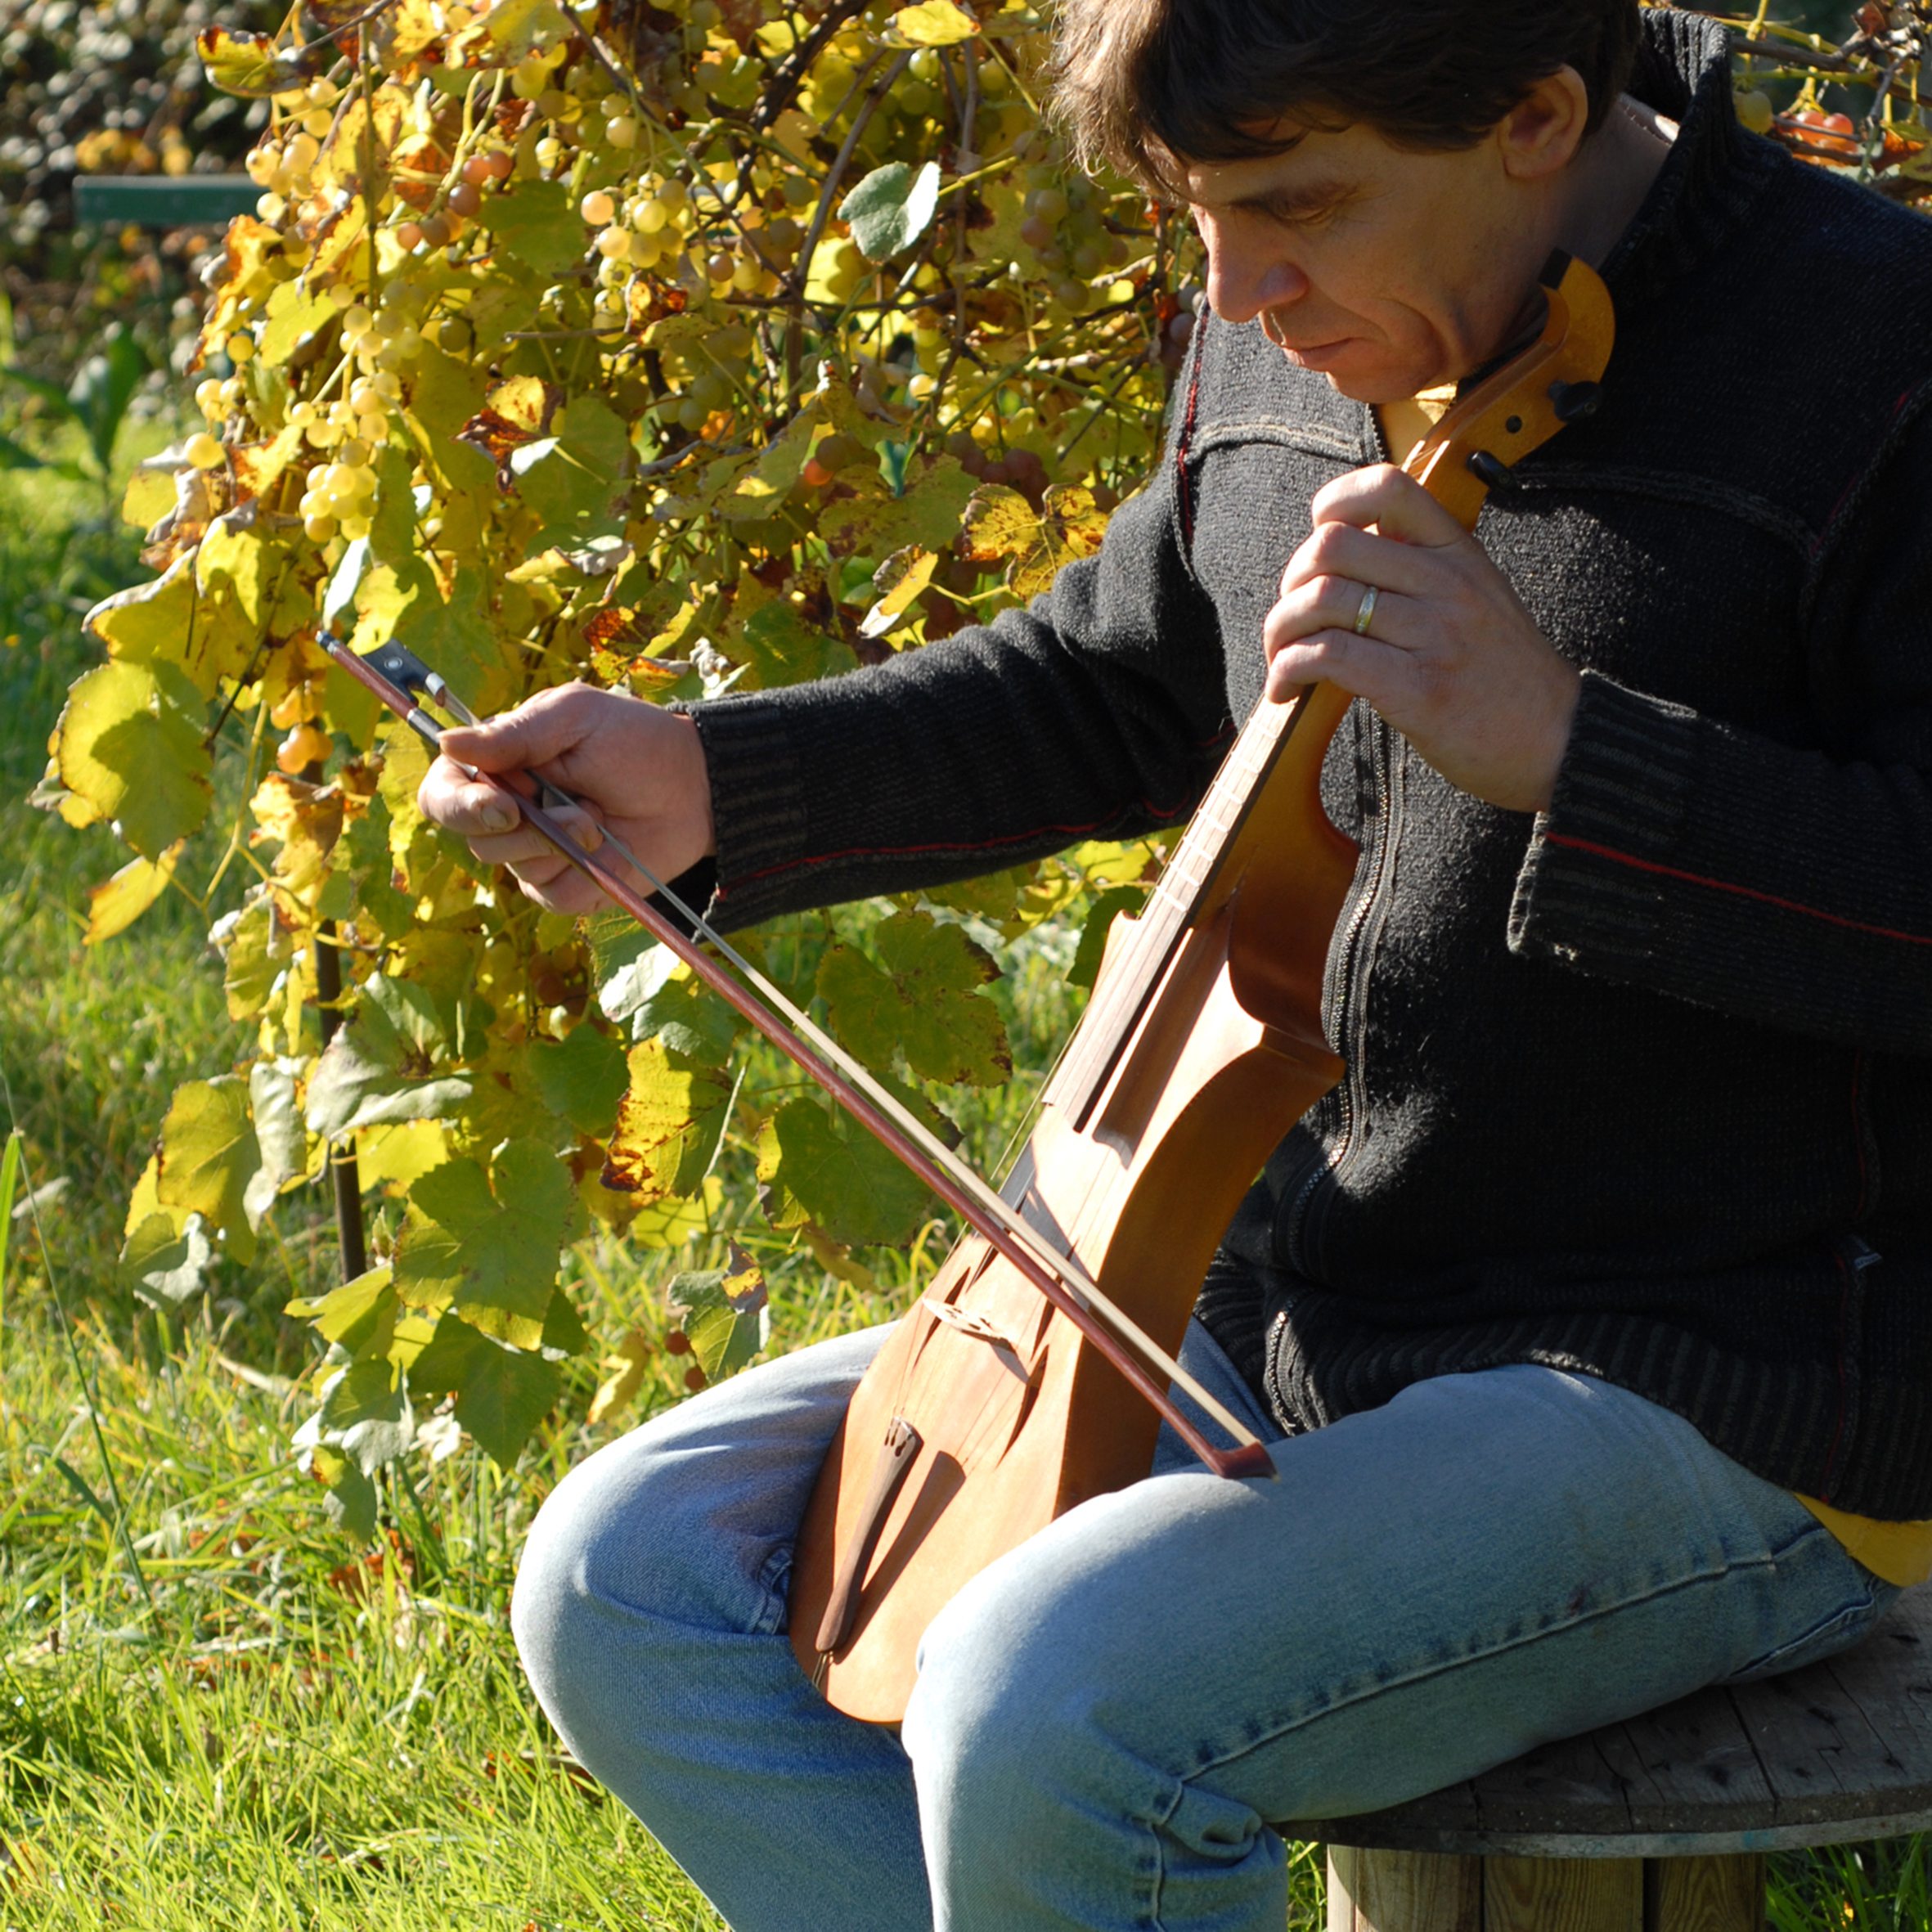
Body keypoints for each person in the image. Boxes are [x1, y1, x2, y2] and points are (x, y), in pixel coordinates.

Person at [418, 4, 1932, 1927]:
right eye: (1193, 212)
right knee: (633, 1578)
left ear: (1537, 114)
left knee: (1058, 1700)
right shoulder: (1280, 309)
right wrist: (709, 778)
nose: (1236, 284)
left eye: (1295, 206)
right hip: (1295, 1285)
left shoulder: (1876, 353)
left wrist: (1571, 753)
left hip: (1723, 1371)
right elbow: (1125, 667)